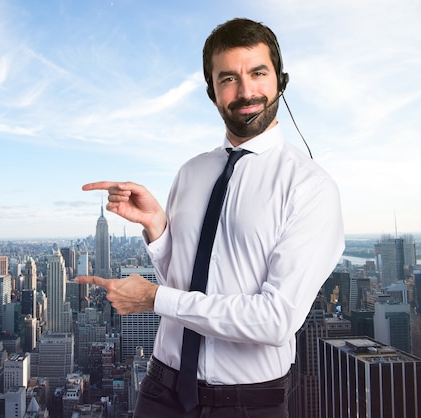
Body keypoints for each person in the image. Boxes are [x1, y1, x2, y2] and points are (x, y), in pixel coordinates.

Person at [76, 18, 344, 418]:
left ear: (280, 81)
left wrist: (153, 298)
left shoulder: (309, 187)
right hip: (160, 389)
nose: (246, 90)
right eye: (228, 79)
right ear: (212, 92)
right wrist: (158, 229)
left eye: (257, 73)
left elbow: (275, 321)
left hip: (248, 402)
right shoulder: (192, 172)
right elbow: (184, 281)